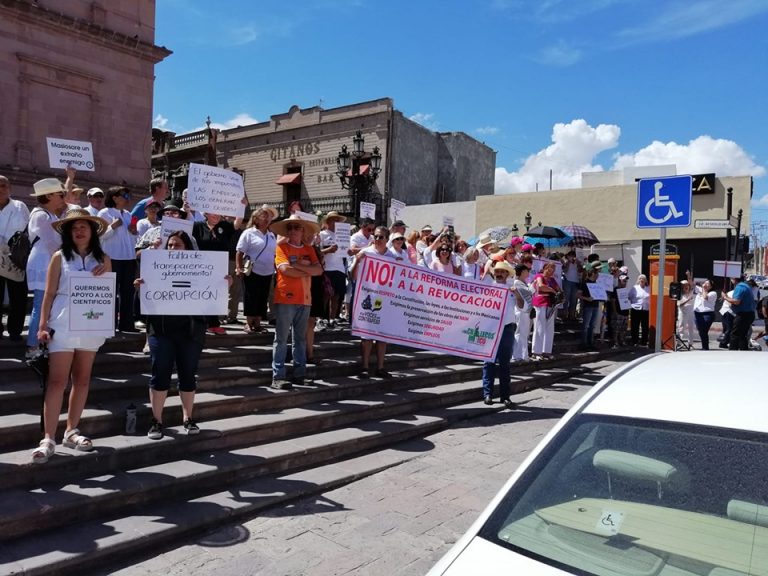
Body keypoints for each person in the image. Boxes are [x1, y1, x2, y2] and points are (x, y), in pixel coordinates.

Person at [31, 208, 111, 463]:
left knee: (83, 380)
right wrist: (42, 325)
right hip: (63, 322)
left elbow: (108, 294)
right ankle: (48, 437)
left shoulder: (104, 258)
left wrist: (103, 273)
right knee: (57, 381)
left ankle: (71, 430)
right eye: (74, 227)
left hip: (91, 323)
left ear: (92, 231)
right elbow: (49, 293)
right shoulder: (58, 257)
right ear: (68, 232)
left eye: (84, 226)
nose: (79, 230)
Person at [134, 231, 231, 439]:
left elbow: (211, 305)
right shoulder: (154, 270)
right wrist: (139, 289)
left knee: (188, 374)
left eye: (177, 245)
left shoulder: (200, 271)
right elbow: (139, 309)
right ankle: (157, 421)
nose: (172, 249)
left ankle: (188, 418)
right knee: (159, 374)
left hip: (190, 331)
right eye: (169, 245)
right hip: (161, 331)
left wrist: (223, 286)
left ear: (187, 248)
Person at [269, 214, 323, 389]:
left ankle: (299, 374)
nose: (292, 230)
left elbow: (319, 270)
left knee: (300, 339)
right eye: (290, 227)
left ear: (303, 230)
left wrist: (297, 265)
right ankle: (278, 376)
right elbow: (285, 269)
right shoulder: (281, 247)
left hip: (305, 299)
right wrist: (307, 269)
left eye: (296, 227)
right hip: (286, 297)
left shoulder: (309, 249)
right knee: (282, 338)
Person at [26, 178, 68, 356]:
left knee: (46, 304)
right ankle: (32, 346)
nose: (63, 197)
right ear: (49, 195)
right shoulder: (41, 215)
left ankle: (40, 344)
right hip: (44, 262)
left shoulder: (50, 215)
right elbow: (52, 244)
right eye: (60, 194)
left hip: (49, 261)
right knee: (41, 304)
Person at [350, 226, 396, 377]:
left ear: (387, 239)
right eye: (375, 236)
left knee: (382, 336)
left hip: (384, 300)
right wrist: (357, 262)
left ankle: (380, 367)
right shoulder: (365, 253)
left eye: (381, 237)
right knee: (366, 335)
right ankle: (364, 367)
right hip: (366, 298)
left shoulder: (391, 257)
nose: (377, 239)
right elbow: (353, 276)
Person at [482, 261, 523, 407]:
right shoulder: (488, 287)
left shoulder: (512, 288)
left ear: (507, 274)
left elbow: (521, 305)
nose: (499, 273)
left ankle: (505, 396)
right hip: (491, 328)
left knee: (505, 364)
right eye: (497, 271)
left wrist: (516, 293)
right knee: (489, 362)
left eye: (502, 271)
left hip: (507, 329)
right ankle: (488, 394)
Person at [193, 211, 240, 334]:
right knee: (200, 294)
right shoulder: (197, 226)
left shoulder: (225, 226)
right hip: (200, 266)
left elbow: (237, 224)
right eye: (213, 212)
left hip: (219, 267)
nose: (216, 215)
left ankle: (213, 323)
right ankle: (200, 322)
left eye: (218, 212)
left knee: (215, 294)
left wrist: (241, 207)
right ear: (206, 213)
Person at [99, 186, 138, 332]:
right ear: (114, 197)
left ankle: (127, 324)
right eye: (124, 195)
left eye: (128, 195)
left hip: (128, 257)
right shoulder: (104, 213)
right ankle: (110, 324)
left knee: (128, 292)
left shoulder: (128, 214)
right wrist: (112, 226)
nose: (127, 198)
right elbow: (101, 236)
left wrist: (134, 231)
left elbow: (134, 237)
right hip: (112, 258)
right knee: (111, 292)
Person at [235, 205, 278, 334]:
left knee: (262, 297)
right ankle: (249, 323)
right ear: (256, 219)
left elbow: (274, 254)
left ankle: (258, 323)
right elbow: (239, 251)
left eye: (269, 217)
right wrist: (238, 267)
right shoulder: (248, 233)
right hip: (252, 270)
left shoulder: (271, 235)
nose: (267, 219)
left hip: (268, 271)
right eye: (263, 216)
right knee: (250, 297)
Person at [0, 175, 30, 341]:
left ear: (10, 188)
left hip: (15, 256)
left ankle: (15, 331)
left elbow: (27, 229)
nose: (1, 188)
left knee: (18, 295)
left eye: (4, 185)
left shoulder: (20, 206)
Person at [318, 211, 348, 327]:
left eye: (337, 220)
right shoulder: (322, 235)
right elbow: (317, 252)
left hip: (339, 268)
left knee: (336, 295)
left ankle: (332, 318)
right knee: (326, 294)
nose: (336, 222)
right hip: (327, 268)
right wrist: (328, 250)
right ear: (328, 221)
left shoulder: (344, 236)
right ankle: (321, 318)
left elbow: (347, 252)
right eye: (333, 220)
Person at [531, 261, 561, 360]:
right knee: (539, 326)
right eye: (549, 268)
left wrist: (558, 292)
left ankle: (546, 351)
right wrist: (552, 290)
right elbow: (540, 286)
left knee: (549, 328)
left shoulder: (552, 279)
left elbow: (559, 290)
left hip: (550, 304)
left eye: (553, 269)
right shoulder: (539, 276)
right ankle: (536, 352)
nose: (551, 271)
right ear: (544, 268)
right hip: (540, 302)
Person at [722, 276, 756, 350]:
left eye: (731, 278)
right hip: (748, 314)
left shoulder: (740, 287)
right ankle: (743, 350)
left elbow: (737, 301)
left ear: (734, 279)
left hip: (743, 314)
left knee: (735, 334)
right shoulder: (746, 286)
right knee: (742, 334)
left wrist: (725, 297)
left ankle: (733, 351)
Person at [512, 263, 533, 362]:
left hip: (526, 311)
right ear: (522, 272)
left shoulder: (523, 282)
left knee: (524, 333)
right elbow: (529, 292)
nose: (528, 272)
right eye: (526, 271)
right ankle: (517, 355)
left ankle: (524, 355)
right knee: (519, 333)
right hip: (520, 310)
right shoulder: (516, 282)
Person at [577, 265, 601, 350]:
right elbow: (578, 295)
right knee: (586, 325)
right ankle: (584, 343)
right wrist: (587, 298)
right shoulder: (584, 283)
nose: (598, 275)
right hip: (588, 306)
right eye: (597, 273)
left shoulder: (597, 284)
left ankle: (591, 343)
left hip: (596, 306)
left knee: (592, 325)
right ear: (593, 274)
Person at [691, 275, 716, 350]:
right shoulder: (700, 290)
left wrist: (704, 289)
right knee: (701, 331)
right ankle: (704, 347)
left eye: (708, 284)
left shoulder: (713, 293)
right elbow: (691, 284)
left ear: (711, 287)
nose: (705, 284)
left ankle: (705, 347)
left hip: (707, 314)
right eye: (705, 283)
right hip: (697, 313)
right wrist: (689, 276)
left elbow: (705, 297)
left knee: (704, 330)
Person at [628, 274, 650, 347]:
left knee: (645, 326)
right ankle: (634, 341)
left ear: (646, 280)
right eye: (640, 278)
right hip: (635, 309)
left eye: (643, 278)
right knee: (635, 326)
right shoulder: (634, 288)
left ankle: (644, 341)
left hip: (645, 309)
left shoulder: (648, 288)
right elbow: (629, 297)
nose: (642, 280)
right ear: (638, 280)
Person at [561, 250, 581, 321]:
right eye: (570, 256)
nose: (572, 257)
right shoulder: (566, 262)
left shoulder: (578, 263)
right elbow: (564, 270)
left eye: (573, 256)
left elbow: (580, 271)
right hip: (567, 281)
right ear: (568, 256)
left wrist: (578, 264)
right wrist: (568, 263)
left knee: (574, 299)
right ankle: (564, 314)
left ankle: (572, 315)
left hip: (576, 282)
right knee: (566, 299)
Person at [611, 274, 630, 347]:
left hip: (625, 312)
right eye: (624, 281)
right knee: (616, 329)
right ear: (619, 281)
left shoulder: (626, 290)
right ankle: (615, 342)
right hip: (618, 312)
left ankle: (622, 341)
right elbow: (613, 301)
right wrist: (615, 312)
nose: (625, 283)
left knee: (624, 329)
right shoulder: (615, 289)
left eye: (626, 281)